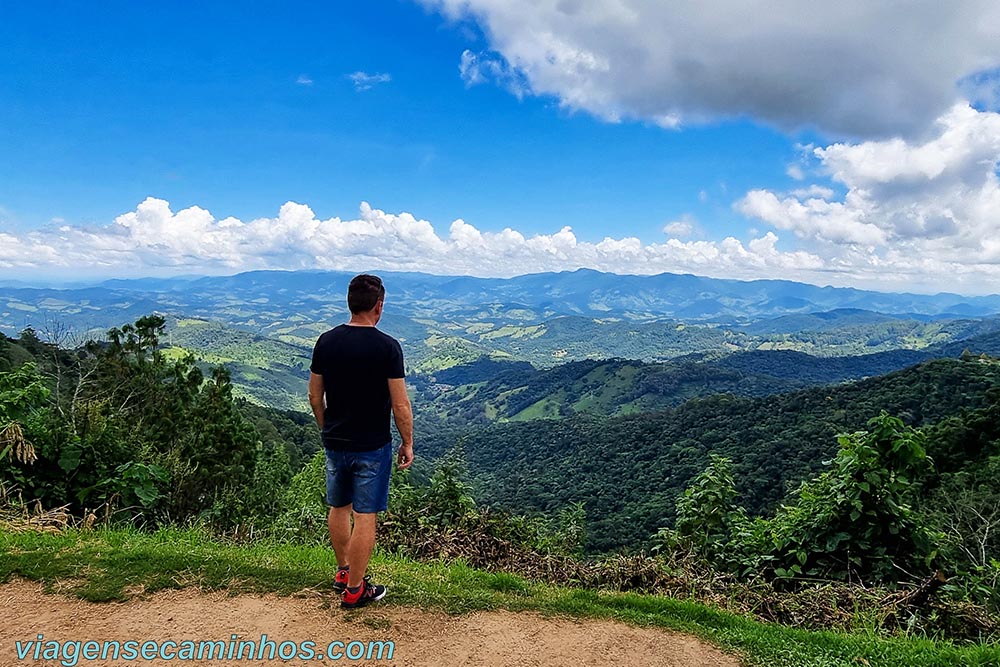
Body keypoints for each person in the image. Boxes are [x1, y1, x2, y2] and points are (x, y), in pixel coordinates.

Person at [308, 273, 414, 609]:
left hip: (335, 441)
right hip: (372, 444)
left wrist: (328, 428)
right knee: (365, 515)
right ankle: (355, 590)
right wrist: (407, 442)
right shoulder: (387, 347)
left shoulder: (326, 341)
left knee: (338, 507)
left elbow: (314, 396)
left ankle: (343, 572)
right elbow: (400, 404)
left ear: (350, 303)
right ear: (379, 306)